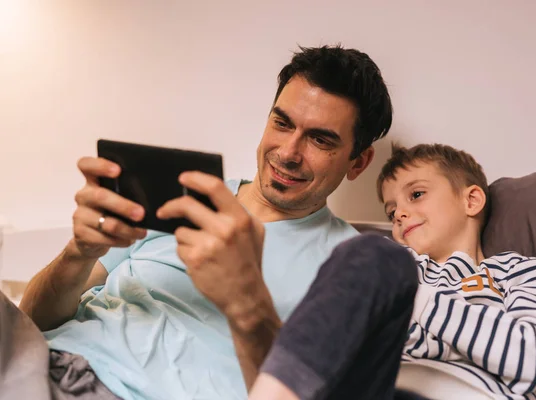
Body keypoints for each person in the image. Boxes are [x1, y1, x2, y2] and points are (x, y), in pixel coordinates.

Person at [0, 45, 393, 400]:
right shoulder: (185, 194)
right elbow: (33, 318)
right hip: (37, 361)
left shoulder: (351, 264)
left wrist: (246, 299)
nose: (288, 153)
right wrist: (78, 252)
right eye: (282, 123)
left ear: (358, 162)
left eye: (320, 140)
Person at [248, 144, 536, 400]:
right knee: (370, 253)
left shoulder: (522, 271)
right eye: (390, 210)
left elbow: (533, 360)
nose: (399, 213)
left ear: (471, 200)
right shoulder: (391, 269)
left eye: (416, 195)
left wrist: (419, 299)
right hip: (383, 391)